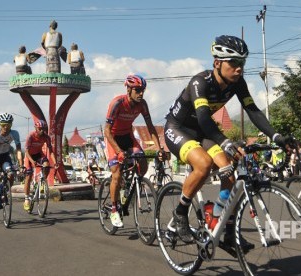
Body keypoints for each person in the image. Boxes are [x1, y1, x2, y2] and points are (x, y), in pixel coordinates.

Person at [163, 35, 289, 243]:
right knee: (203, 164)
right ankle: (180, 212)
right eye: (234, 63)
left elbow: (253, 111)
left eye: (242, 63)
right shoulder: (200, 82)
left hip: (203, 132)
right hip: (179, 128)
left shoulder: (238, 83)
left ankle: (224, 226)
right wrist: (225, 142)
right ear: (217, 63)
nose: (239, 68)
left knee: (228, 173)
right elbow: (203, 117)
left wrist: (276, 136)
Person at [104, 74, 162, 228]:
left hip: (128, 136)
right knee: (116, 173)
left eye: (142, 90)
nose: (141, 93)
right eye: (137, 90)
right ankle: (114, 209)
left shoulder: (142, 104)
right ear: (128, 89)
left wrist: (159, 148)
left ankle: (127, 185)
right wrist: (118, 151)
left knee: (142, 163)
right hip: (114, 138)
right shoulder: (117, 103)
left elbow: (150, 127)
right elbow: (107, 131)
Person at [0, 113, 23, 214]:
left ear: (11, 125)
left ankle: (4, 193)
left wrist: (21, 164)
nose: (6, 127)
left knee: (10, 174)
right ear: (0, 124)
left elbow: (18, 150)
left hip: (5, 156)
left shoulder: (14, 133)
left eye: (8, 125)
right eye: (3, 124)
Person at [22, 120, 58, 211]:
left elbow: (51, 150)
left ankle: (42, 182)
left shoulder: (46, 137)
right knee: (28, 176)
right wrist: (32, 161)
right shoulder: (30, 136)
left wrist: (55, 162)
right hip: (29, 156)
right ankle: (26, 199)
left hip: (38, 154)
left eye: (44, 129)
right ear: (36, 128)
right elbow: (26, 151)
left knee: (46, 165)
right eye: (40, 129)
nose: (42, 131)